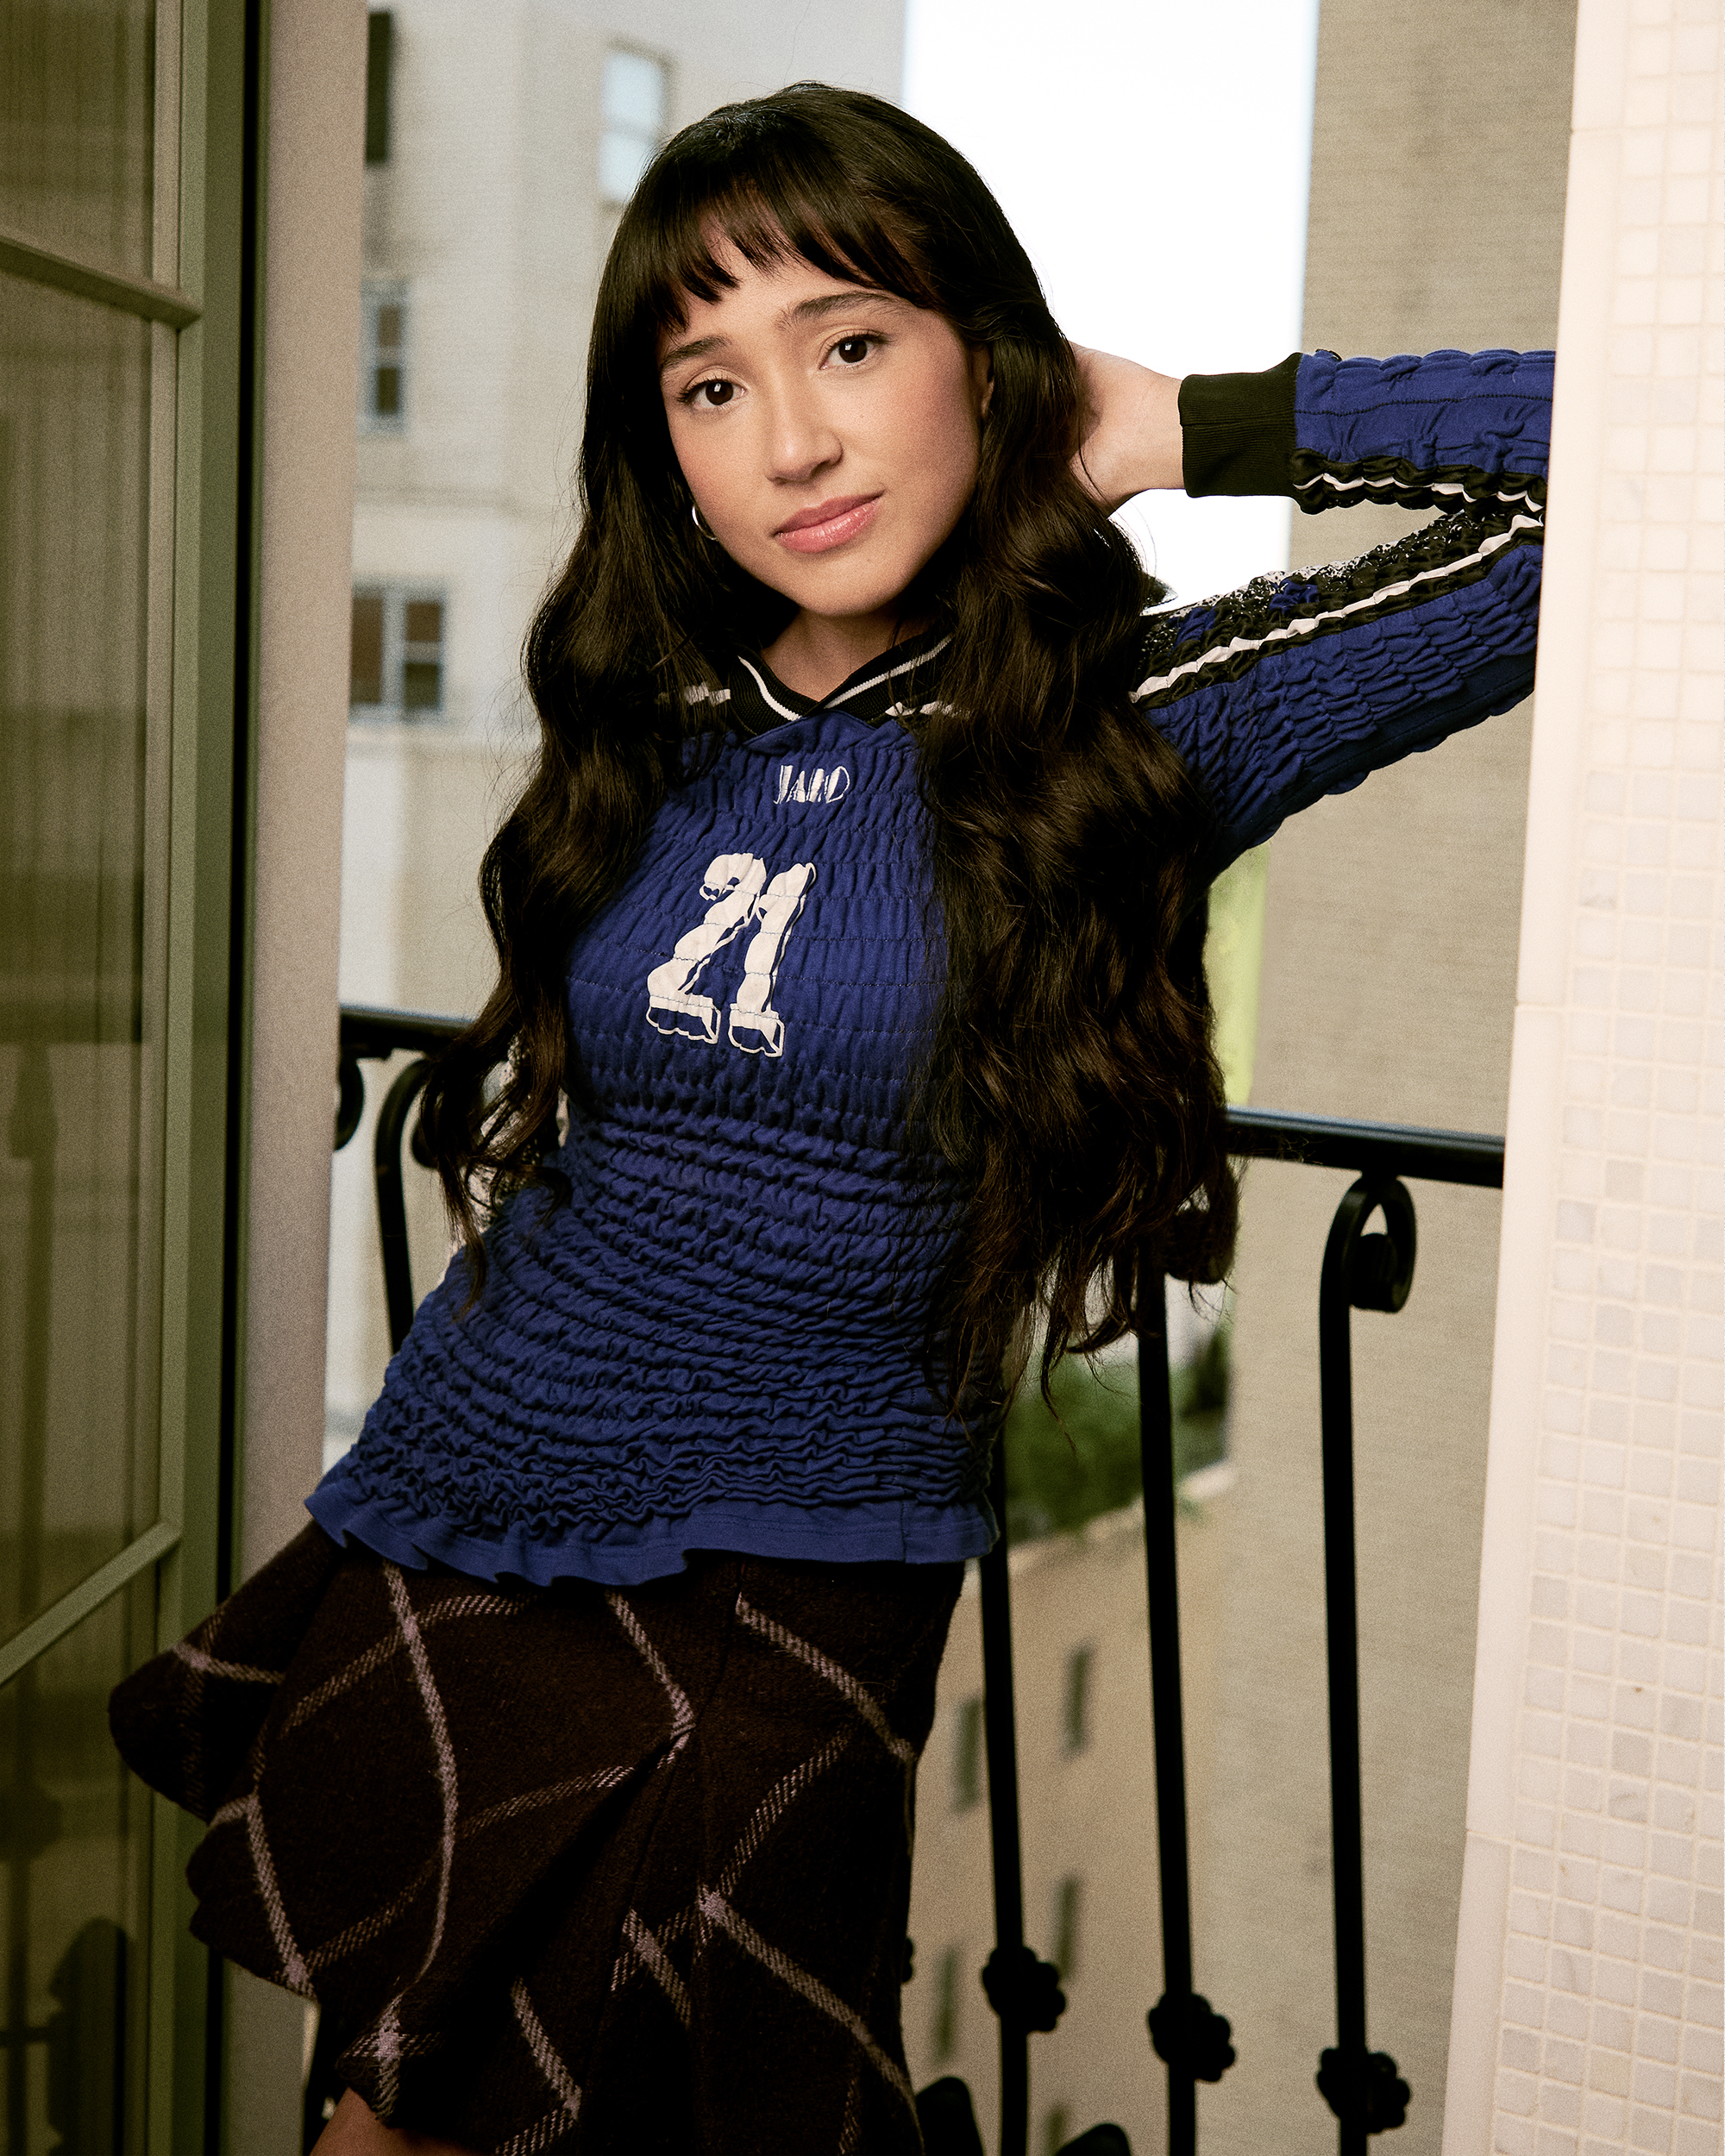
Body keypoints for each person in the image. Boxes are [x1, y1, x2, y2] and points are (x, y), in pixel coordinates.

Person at [110, 82, 1551, 2156]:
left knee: (649, 2097)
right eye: (710, 383)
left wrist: (1185, 427)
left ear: (987, 351)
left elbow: (1638, 471)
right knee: (388, 2095)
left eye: (852, 342)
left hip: (802, 1555)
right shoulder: (651, 715)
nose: (787, 438)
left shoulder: (1137, 731)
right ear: (666, 452)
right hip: (472, 1487)